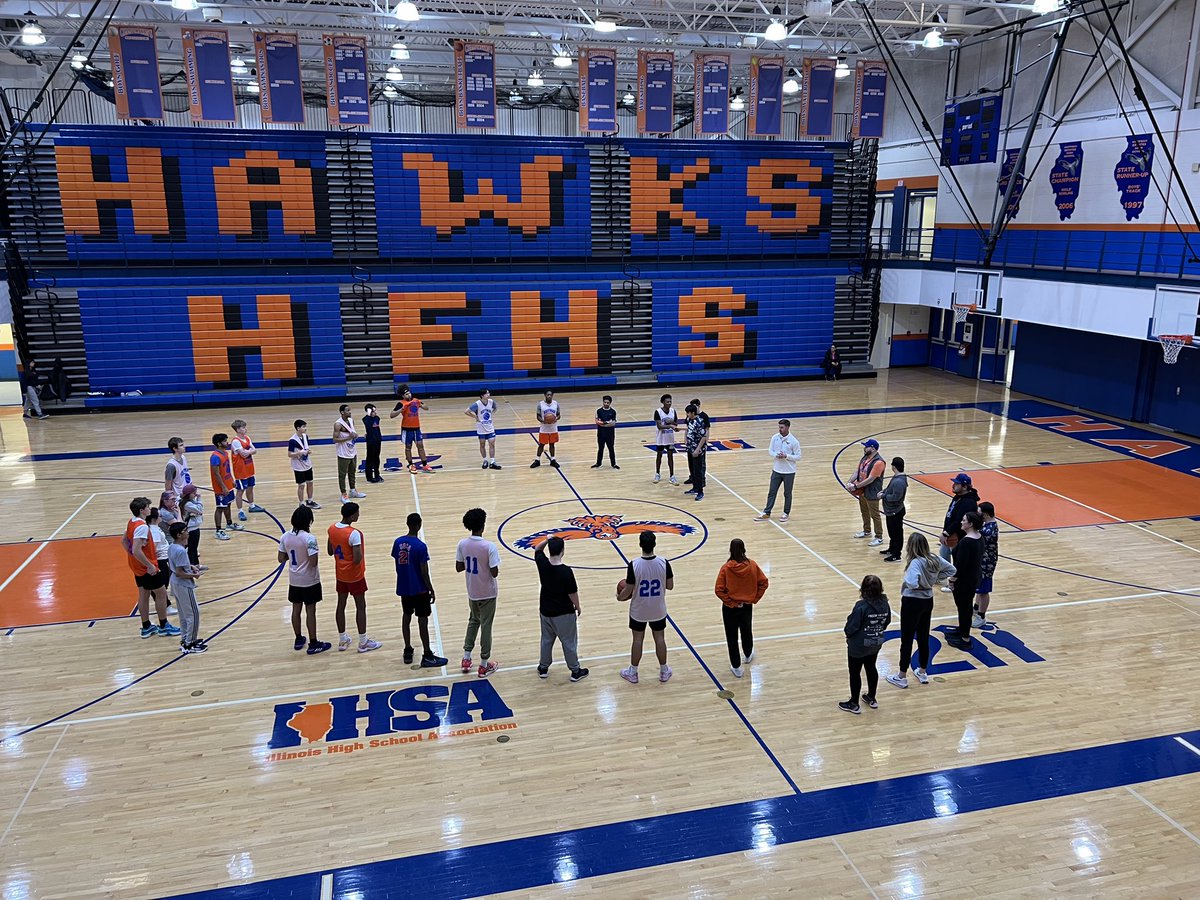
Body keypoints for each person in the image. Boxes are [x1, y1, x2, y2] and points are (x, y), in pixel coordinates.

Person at [886, 533, 955, 690]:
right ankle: (922, 671)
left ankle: (902, 676)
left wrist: (917, 584)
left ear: (911, 546)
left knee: (907, 639)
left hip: (912, 602)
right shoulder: (933, 558)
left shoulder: (915, 563)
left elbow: (911, 582)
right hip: (928, 600)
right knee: (923, 636)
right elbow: (951, 569)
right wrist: (935, 579)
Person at [617, 531, 674, 684]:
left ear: (640, 544)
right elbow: (670, 586)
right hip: (658, 609)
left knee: (637, 640)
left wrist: (619, 597)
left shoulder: (634, 564)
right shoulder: (664, 562)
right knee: (660, 639)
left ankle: (633, 673)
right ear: (654, 544)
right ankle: (663, 671)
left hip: (639, 610)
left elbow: (628, 590)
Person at [392, 512, 448, 667]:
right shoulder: (421, 547)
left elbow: (397, 562)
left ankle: (408, 649)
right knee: (422, 620)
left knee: (406, 616)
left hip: (404, 587)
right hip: (419, 589)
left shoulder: (397, 542)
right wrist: (431, 589)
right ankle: (427, 653)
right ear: (419, 525)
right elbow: (424, 572)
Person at [327, 501, 381, 653]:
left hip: (340, 574)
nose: (359, 515)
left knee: (341, 605)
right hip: (355, 576)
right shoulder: (353, 533)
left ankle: (343, 640)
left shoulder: (331, 529)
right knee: (361, 607)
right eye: (357, 513)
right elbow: (357, 558)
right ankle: (363, 642)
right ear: (351, 515)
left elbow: (330, 551)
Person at [534, 537, 589, 682]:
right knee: (569, 642)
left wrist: (547, 539)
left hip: (545, 611)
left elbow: (537, 549)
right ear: (563, 551)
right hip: (564, 613)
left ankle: (543, 668)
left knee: (546, 640)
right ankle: (575, 671)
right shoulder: (566, 572)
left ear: (550, 550)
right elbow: (572, 593)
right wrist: (578, 606)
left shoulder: (543, 564)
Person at [278, 505, 331, 655]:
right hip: (309, 580)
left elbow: (280, 558)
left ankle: (298, 638)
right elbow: (313, 562)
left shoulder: (285, 537)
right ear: (308, 521)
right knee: (310, 611)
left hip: (294, 580)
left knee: (296, 610)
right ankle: (313, 643)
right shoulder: (309, 538)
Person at [124, 497, 179, 639]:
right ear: (142, 510)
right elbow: (137, 549)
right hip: (146, 566)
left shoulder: (132, 522)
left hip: (136, 566)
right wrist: (149, 565)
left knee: (143, 595)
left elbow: (124, 541)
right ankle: (164, 626)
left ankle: (146, 626)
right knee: (161, 593)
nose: (150, 508)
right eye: (148, 506)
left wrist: (132, 557)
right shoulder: (142, 527)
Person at [455, 507, 501, 677]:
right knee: (486, 625)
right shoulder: (489, 546)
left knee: (473, 621)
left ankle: (466, 658)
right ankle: (484, 664)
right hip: (488, 592)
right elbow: (494, 572)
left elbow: (459, 567)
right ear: (483, 525)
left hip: (472, 591)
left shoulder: (462, 544)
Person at [714, 539, 768, 677]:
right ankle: (748, 654)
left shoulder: (726, 568)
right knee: (746, 631)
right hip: (747, 606)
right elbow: (764, 582)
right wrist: (754, 598)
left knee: (731, 637)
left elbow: (718, 590)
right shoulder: (752, 565)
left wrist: (731, 603)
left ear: (730, 550)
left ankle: (736, 666)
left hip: (730, 608)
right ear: (744, 549)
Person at [840, 575, 891, 714]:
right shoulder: (885, 603)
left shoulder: (861, 606)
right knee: (871, 667)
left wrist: (848, 635)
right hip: (876, 642)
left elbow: (852, 626)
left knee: (855, 672)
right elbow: (887, 622)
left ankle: (854, 703)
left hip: (859, 645)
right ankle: (871, 697)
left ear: (863, 589)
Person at [167, 522, 206, 653]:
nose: (188, 532)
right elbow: (180, 572)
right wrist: (194, 575)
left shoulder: (172, 546)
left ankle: (185, 639)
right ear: (179, 535)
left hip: (175, 583)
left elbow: (179, 567)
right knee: (193, 614)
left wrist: (191, 567)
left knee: (183, 615)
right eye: (185, 530)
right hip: (183, 584)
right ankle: (190, 643)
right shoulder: (181, 551)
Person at [948, 511, 984, 649]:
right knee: (965, 607)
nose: (961, 522)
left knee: (964, 608)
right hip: (974, 577)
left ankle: (965, 638)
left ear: (971, 524)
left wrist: (952, 579)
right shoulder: (979, 537)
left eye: (964, 520)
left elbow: (960, 565)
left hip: (964, 580)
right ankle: (962, 630)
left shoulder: (966, 542)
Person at [938, 473, 980, 590]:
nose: (953, 485)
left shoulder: (968, 502)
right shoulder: (958, 497)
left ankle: (954, 583)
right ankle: (943, 576)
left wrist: (946, 533)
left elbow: (958, 521)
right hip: (950, 533)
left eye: (957, 483)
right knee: (943, 554)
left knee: (958, 560)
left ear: (965, 486)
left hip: (958, 536)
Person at [755, 419, 802, 523]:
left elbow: (798, 457)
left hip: (789, 472)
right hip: (776, 470)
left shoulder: (794, 441)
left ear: (788, 427)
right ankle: (767, 512)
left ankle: (786, 513)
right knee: (772, 492)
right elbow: (770, 451)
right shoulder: (775, 437)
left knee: (787, 493)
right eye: (779, 427)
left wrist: (786, 456)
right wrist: (776, 455)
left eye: (782, 427)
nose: (780, 429)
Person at [848, 439, 886, 546]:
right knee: (864, 511)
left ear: (873, 448)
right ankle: (867, 530)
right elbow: (858, 471)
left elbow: (871, 479)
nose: (864, 448)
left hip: (872, 492)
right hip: (863, 491)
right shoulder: (865, 458)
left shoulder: (879, 462)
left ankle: (879, 537)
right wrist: (850, 482)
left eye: (866, 446)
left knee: (875, 515)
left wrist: (856, 486)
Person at [390, 386, 434, 473]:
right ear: (403, 396)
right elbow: (392, 415)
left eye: (409, 393)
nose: (409, 395)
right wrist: (401, 409)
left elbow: (426, 407)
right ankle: (410, 464)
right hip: (407, 429)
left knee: (420, 446)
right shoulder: (401, 403)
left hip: (416, 428)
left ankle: (425, 464)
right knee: (408, 447)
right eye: (406, 394)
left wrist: (421, 405)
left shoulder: (416, 400)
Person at [974, 502, 1000, 629]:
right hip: (984, 560)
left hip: (987, 562)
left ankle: (981, 616)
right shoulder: (988, 525)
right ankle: (976, 608)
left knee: (984, 590)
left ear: (984, 513)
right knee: (979, 587)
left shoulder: (988, 530)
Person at [334, 404, 367, 502]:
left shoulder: (352, 421)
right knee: (342, 474)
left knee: (352, 472)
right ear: (342, 412)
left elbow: (352, 433)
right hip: (343, 453)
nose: (350, 412)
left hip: (352, 450)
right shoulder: (338, 424)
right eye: (348, 410)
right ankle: (343, 494)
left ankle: (353, 491)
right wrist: (348, 437)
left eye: (350, 410)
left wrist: (355, 435)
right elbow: (335, 439)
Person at [209, 433, 239, 541]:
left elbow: (227, 469)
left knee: (228, 504)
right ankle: (218, 530)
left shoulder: (225, 453)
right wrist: (223, 487)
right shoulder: (215, 457)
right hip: (220, 487)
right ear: (219, 443)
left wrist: (231, 480)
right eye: (225, 441)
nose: (227, 443)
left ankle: (229, 523)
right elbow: (216, 474)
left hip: (228, 483)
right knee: (220, 508)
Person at [145, 507, 174, 617]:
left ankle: (166, 605)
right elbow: (154, 548)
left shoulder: (154, 528)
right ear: (154, 518)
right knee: (162, 585)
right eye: (159, 515)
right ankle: (165, 607)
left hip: (163, 558)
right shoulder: (154, 531)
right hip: (161, 560)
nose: (161, 517)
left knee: (162, 586)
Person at [465, 388, 501, 470]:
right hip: (481, 428)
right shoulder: (477, 404)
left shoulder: (491, 402)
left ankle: (492, 462)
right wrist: (475, 417)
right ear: (482, 395)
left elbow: (495, 408)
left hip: (490, 427)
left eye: (488, 393)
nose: (489, 394)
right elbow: (466, 411)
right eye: (487, 393)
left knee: (492, 444)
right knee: (482, 444)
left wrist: (492, 414)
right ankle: (485, 460)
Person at [880, 457, 908, 562]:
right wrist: (883, 492)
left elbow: (896, 497)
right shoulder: (896, 478)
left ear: (894, 467)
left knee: (897, 533)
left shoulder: (899, 481)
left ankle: (897, 554)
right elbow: (889, 490)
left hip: (896, 511)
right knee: (892, 532)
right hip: (891, 510)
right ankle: (891, 549)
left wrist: (883, 496)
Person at [288, 420, 320, 509]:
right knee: (301, 485)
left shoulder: (305, 437)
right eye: (303, 427)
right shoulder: (292, 440)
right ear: (298, 428)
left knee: (310, 483)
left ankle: (310, 501)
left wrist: (307, 452)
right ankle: (301, 503)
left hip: (307, 464)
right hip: (298, 466)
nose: (305, 429)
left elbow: (305, 449)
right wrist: (300, 453)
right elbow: (290, 454)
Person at [684, 398, 712, 485]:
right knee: (691, 462)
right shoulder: (689, 418)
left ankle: (701, 481)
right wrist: (685, 438)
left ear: (698, 406)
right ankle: (693, 478)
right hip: (691, 444)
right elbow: (688, 428)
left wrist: (705, 442)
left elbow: (706, 431)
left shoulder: (703, 417)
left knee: (700, 464)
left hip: (699, 445)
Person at [531, 389, 561, 469]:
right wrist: (543, 421)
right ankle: (537, 460)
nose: (549, 396)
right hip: (544, 429)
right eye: (548, 395)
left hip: (553, 428)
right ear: (545, 395)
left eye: (550, 394)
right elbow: (538, 416)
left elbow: (558, 415)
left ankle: (553, 460)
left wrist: (555, 419)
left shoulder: (556, 404)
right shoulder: (540, 405)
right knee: (541, 444)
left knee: (552, 444)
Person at [652, 394, 678, 485]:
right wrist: (670, 425)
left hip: (670, 438)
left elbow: (676, 424)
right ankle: (657, 473)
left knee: (670, 457)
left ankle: (672, 476)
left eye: (670, 401)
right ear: (663, 402)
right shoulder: (658, 412)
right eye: (667, 402)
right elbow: (659, 426)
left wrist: (673, 424)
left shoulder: (673, 411)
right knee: (659, 456)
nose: (669, 403)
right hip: (661, 439)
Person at [683, 403, 707, 501]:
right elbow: (688, 429)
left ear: (693, 413)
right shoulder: (689, 420)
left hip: (698, 450)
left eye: (688, 413)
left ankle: (700, 491)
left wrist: (697, 449)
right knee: (692, 469)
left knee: (698, 471)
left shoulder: (700, 422)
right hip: (690, 448)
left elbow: (703, 437)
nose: (687, 415)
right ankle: (695, 487)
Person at [180, 484, 206, 570]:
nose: (195, 495)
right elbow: (200, 509)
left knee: (194, 548)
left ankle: (196, 565)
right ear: (188, 494)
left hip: (194, 528)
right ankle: (192, 567)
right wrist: (199, 499)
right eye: (194, 493)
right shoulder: (187, 504)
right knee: (191, 549)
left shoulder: (190, 502)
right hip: (191, 529)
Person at [592, 395, 618, 469]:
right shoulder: (599, 411)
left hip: (610, 434)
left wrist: (603, 424)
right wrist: (606, 423)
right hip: (601, 434)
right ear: (603, 402)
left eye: (607, 403)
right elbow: (597, 421)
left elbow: (613, 423)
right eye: (605, 402)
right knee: (600, 448)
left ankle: (613, 464)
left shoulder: (613, 412)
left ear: (610, 403)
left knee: (611, 449)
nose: (606, 404)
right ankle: (598, 463)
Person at [362, 404, 384, 483]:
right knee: (370, 459)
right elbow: (368, 425)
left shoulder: (377, 418)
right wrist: (369, 415)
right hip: (371, 441)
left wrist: (372, 414)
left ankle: (377, 475)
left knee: (376, 458)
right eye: (373, 411)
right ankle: (369, 477)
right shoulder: (365, 419)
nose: (375, 412)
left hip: (378, 440)